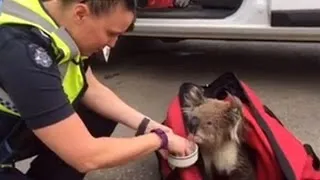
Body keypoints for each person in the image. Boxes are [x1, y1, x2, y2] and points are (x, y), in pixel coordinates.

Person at [0, 0, 194, 179]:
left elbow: (90, 88)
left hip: (11, 133)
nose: (112, 43)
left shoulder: (54, 21)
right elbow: (85, 155)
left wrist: (149, 125)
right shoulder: (21, 51)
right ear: (80, 13)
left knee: (97, 114)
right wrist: (160, 140)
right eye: (111, 33)